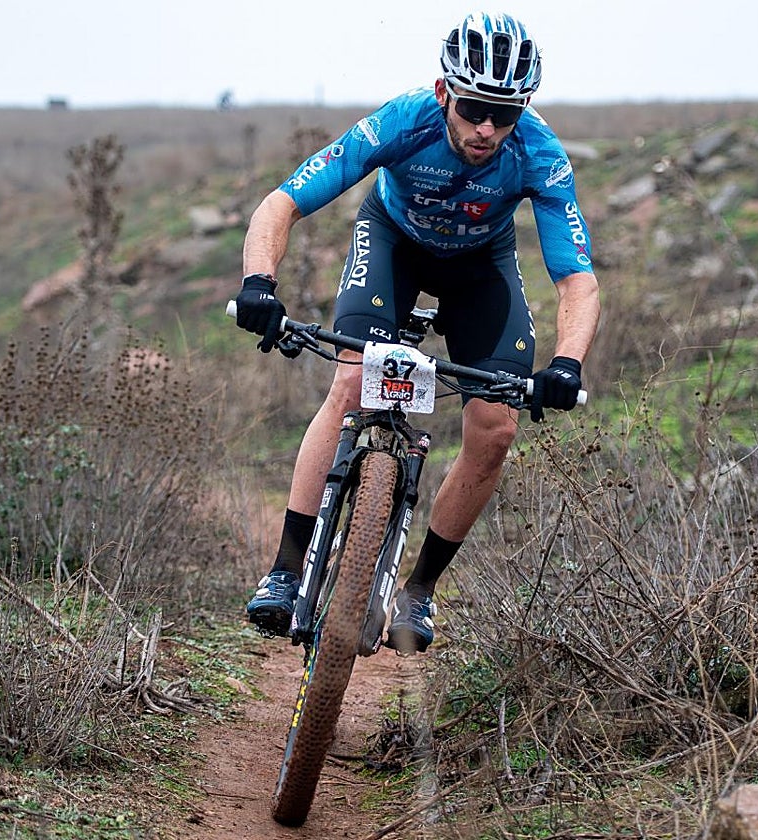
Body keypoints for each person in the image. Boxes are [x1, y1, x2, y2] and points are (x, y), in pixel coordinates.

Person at [234, 11, 601, 653]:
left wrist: (568, 363)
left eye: (505, 113)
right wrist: (259, 284)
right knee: (353, 382)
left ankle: (419, 593)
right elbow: (282, 203)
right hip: (393, 244)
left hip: (480, 267)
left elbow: (577, 279)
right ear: (444, 94)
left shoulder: (539, 154)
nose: (488, 127)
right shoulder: (405, 121)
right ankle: (285, 572)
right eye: (475, 107)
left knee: (496, 427)